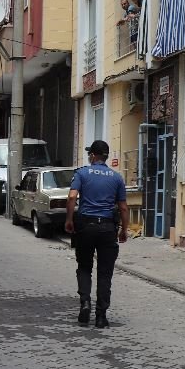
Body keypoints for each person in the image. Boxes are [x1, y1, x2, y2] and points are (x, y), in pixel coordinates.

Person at [64, 140, 128, 329]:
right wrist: (124, 229)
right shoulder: (117, 177)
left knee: (84, 267)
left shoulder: (82, 173)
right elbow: (123, 207)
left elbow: (72, 196)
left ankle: (85, 302)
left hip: (85, 226)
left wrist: (69, 219)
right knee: (105, 273)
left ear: (92, 155)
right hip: (108, 228)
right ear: (105, 156)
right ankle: (101, 316)